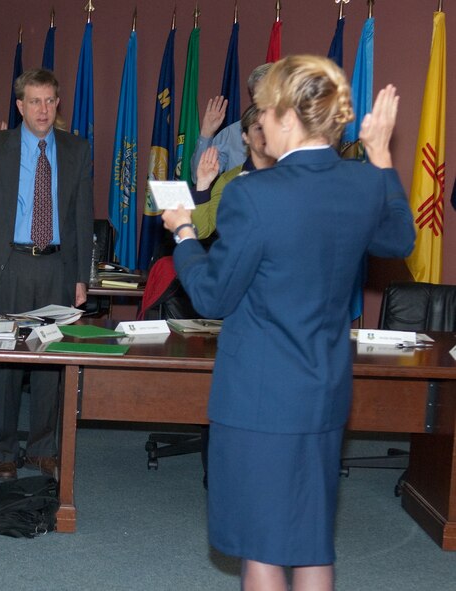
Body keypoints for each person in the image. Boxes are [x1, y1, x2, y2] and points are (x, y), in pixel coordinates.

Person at [162, 55, 415, 590]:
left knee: (262, 547)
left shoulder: (255, 195)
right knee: (309, 540)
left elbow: (212, 295)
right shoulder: (363, 185)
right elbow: (399, 239)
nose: (258, 124)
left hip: (259, 401)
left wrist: (184, 234)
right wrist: (380, 153)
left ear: (288, 117)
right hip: (323, 391)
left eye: (263, 112)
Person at [0, 68, 93, 481]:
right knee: (6, 364)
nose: (43, 109)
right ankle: (4, 450)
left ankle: (40, 449)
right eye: (34, 101)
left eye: (50, 101)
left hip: (55, 265)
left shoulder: (77, 149)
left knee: (49, 361)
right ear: (19, 106)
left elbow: (81, 218)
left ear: (58, 104)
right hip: (6, 266)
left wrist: (81, 276)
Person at [191, 105, 276, 240]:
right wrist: (203, 183)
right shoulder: (229, 180)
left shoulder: (293, 172)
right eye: (259, 128)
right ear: (245, 137)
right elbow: (201, 231)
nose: (265, 134)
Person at [190, 63, 271, 184]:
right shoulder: (232, 133)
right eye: (259, 95)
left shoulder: (299, 132)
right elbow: (199, 178)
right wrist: (206, 133)